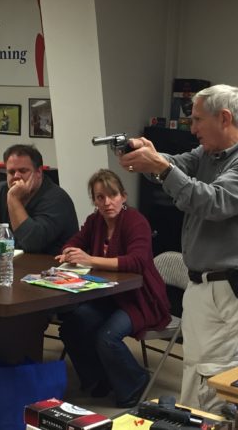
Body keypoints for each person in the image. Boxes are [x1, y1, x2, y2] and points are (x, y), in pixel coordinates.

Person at [119, 84, 238, 412]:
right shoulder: (210, 153)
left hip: (232, 294)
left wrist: (161, 167)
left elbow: (212, 202)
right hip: (203, 288)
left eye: (196, 120)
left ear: (224, 118)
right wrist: (144, 155)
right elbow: (176, 165)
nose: (192, 129)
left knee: (213, 389)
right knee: (194, 378)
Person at [55, 169, 170, 408]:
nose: (107, 203)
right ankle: (101, 378)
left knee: (107, 336)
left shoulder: (136, 221)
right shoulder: (95, 221)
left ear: (123, 196)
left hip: (140, 299)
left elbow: (137, 261)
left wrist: (89, 260)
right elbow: (75, 240)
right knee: (73, 325)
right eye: (100, 197)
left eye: (112, 195)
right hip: (108, 297)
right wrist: (69, 251)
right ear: (94, 201)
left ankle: (135, 382)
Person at [0, 144, 78, 255]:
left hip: (49, 268)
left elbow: (31, 243)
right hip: (8, 265)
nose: (16, 176)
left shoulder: (57, 199)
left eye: (23, 171)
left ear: (38, 172)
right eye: (11, 172)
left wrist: (13, 199)